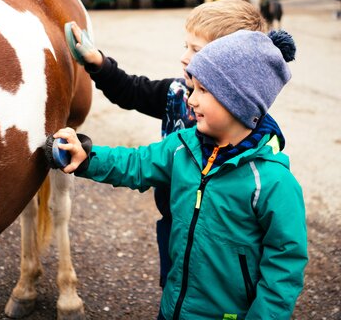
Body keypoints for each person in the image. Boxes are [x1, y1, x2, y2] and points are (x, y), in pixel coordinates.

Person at [53, 29, 308, 319]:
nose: (191, 100)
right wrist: (88, 157)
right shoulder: (183, 146)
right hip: (173, 307)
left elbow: (285, 267)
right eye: (193, 89)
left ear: (238, 102)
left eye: (203, 90)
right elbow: (136, 163)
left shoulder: (273, 183)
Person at [68, 0, 272, 289]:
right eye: (185, 46)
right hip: (175, 223)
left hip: (222, 241)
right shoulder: (176, 93)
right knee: (176, 287)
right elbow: (131, 91)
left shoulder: (247, 127)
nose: (185, 57)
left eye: (196, 50)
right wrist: (97, 62)